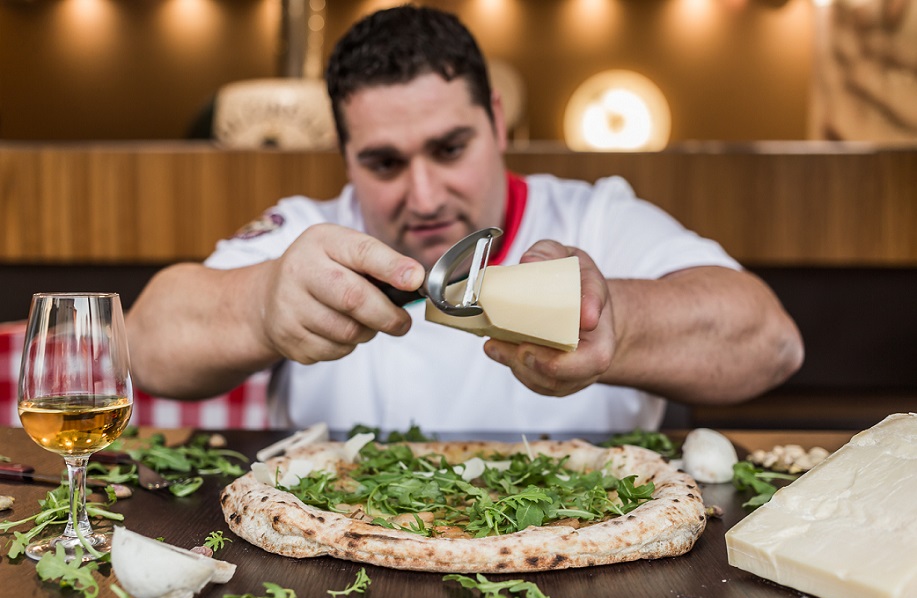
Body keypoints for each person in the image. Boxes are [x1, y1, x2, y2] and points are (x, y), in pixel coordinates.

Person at [126, 5, 803, 438]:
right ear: (344, 157)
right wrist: (260, 304)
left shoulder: (596, 215)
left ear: (497, 123)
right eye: (384, 162)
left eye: (450, 149)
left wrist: (618, 323)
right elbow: (145, 343)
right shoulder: (308, 234)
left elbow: (771, 342)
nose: (423, 196)